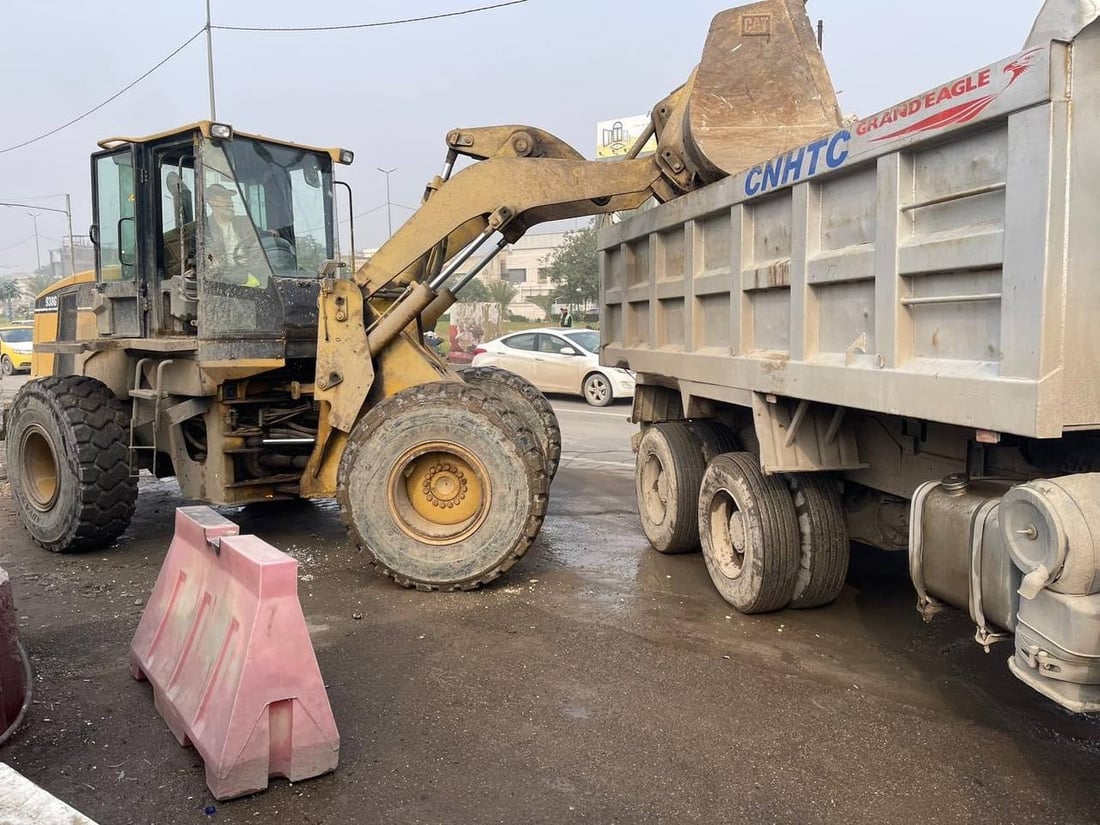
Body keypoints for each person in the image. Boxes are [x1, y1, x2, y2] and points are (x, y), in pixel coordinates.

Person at [205, 184, 264, 287]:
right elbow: (204, 259)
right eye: (225, 198)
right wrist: (212, 261)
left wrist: (273, 233)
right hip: (224, 283)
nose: (230, 202)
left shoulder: (244, 222)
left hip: (252, 274)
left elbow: (263, 237)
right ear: (212, 201)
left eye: (230, 198)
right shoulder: (204, 228)